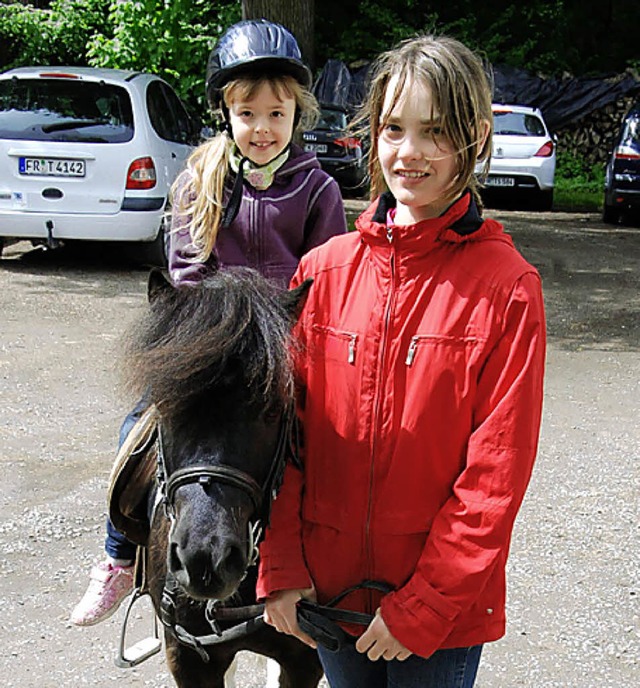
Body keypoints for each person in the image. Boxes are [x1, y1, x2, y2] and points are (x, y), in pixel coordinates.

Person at [258, 33, 546, 688]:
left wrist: (423, 607)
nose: (407, 153)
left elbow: (494, 477)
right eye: (393, 128)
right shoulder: (322, 273)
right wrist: (280, 567)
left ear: (473, 137)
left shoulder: (508, 288)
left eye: (434, 131)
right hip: (329, 604)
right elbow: (283, 439)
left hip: (436, 622)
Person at [70, 18, 347, 627]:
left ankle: (332, 563)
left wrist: (281, 329)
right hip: (208, 342)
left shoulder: (316, 189)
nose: (263, 129)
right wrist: (214, 331)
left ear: (296, 115)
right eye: (249, 115)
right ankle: (117, 557)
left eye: (277, 115)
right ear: (228, 113)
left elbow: (327, 273)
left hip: (283, 342)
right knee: (138, 425)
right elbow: (185, 270)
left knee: (329, 439)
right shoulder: (200, 180)